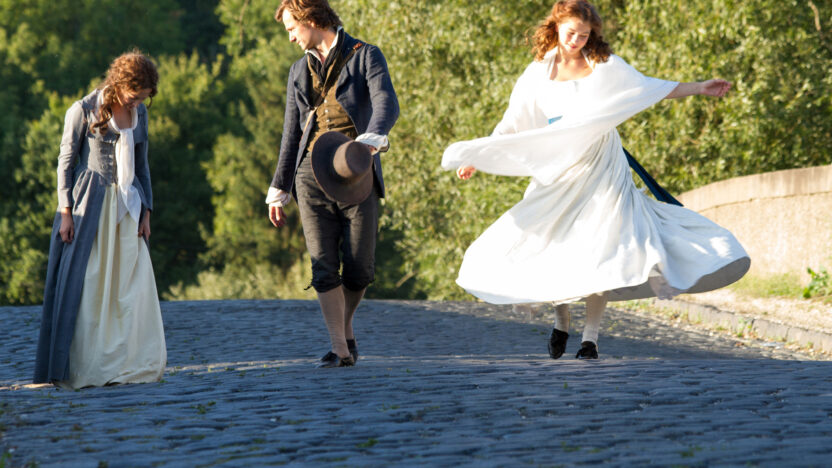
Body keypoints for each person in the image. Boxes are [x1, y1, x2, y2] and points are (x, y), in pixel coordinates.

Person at [442, 0, 749, 359]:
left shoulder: (604, 65)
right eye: (571, 32)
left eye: (584, 35)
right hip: (559, 164)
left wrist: (699, 87)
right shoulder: (537, 73)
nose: (576, 40)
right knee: (553, 238)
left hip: (602, 162)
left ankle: (591, 339)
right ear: (556, 27)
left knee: (604, 242)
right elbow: (512, 123)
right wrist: (477, 157)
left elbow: (649, 88)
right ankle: (562, 320)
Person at [267, 0, 399, 367]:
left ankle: (345, 326)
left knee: (360, 268)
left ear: (311, 19)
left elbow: (386, 103)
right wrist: (279, 188)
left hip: (356, 169)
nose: (290, 37)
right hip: (310, 175)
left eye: (292, 28)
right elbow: (291, 133)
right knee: (323, 266)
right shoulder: (298, 70)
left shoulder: (366, 55)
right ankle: (340, 347)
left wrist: (370, 141)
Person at [33, 50, 166, 388]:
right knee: (90, 287)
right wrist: (66, 212)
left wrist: (147, 211)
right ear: (119, 84)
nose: (138, 103)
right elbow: (65, 164)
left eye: (143, 98)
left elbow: (143, 165)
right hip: (90, 205)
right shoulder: (82, 110)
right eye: (134, 96)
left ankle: (128, 361)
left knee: (130, 289)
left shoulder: (140, 114)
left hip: (128, 207)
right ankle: (86, 364)